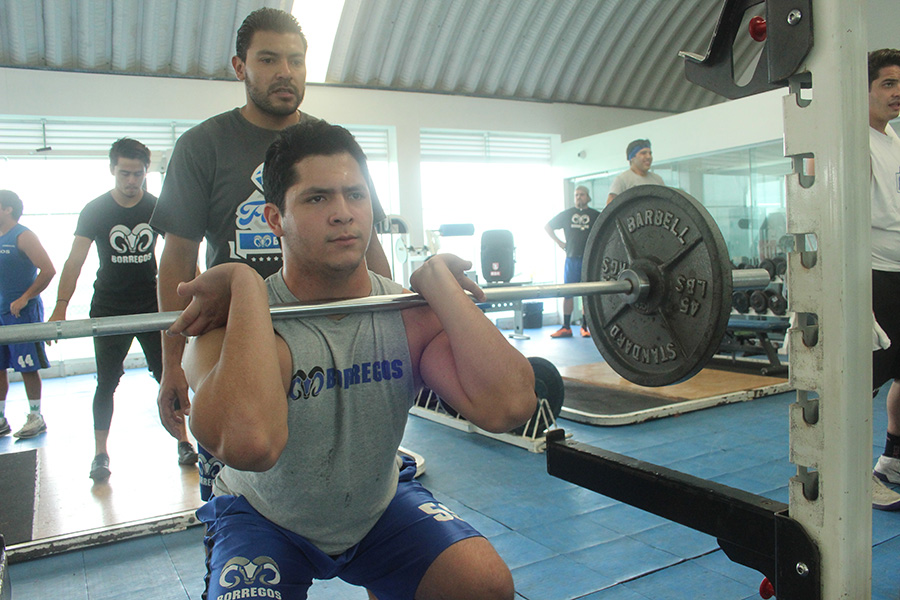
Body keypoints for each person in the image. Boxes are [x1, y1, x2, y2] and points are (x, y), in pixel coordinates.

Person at [167, 120, 536, 599]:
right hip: (261, 515)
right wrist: (243, 282)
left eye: (356, 195)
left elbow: (509, 404)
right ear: (275, 219)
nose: (343, 214)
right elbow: (250, 444)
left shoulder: (404, 314)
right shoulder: (229, 327)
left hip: (376, 508)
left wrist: (437, 284)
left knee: (482, 585)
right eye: (318, 198)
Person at [149, 8, 391, 478]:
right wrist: (171, 364)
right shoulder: (202, 146)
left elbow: (368, 242)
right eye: (268, 60)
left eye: (296, 61)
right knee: (243, 456)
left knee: (337, 465)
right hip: (234, 330)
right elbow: (178, 260)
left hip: (325, 323)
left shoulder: (331, 144)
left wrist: (400, 320)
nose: (286, 72)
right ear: (240, 68)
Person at [48, 139, 197, 483]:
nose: (132, 180)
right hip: (109, 308)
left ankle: (184, 441)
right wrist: (60, 307)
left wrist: (195, 297)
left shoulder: (159, 208)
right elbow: (75, 259)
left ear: (147, 172)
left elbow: (183, 257)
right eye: (125, 173)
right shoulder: (96, 210)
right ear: (112, 170)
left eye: (138, 174)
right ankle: (101, 453)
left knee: (169, 375)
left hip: (152, 307)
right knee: (106, 382)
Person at [867, 48, 900, 510]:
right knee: (860, 384)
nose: (897, 93)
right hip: (870, 275)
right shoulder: (852, 140)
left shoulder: (893, 138)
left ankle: (891, 459)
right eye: (888, 84)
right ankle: (853, 477)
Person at [0, 190, 55, 439]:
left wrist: (25, 297)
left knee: (27, 365)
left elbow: (48, 270)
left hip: (20, 312)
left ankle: (36, 416)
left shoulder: (23, 236)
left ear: (8, 209)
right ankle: (1, 418)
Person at [544, 185, 601, 338]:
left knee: (587, 294)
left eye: (582, 195)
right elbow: (548, 226)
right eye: (576, 195)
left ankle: (585, 326)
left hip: (588, 260)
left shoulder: (595, 215)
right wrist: (560, 243)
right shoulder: (567, 214)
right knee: (568, 292)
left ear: (588, 197)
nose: (578, 197)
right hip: (571, 258)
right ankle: (566, 327)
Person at [606, 139, 665, 205]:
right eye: (643, 153)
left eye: (650, 153)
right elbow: (610, 208)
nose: (649, 157)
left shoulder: (658, 180)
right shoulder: (622, 180)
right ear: (632, 157)